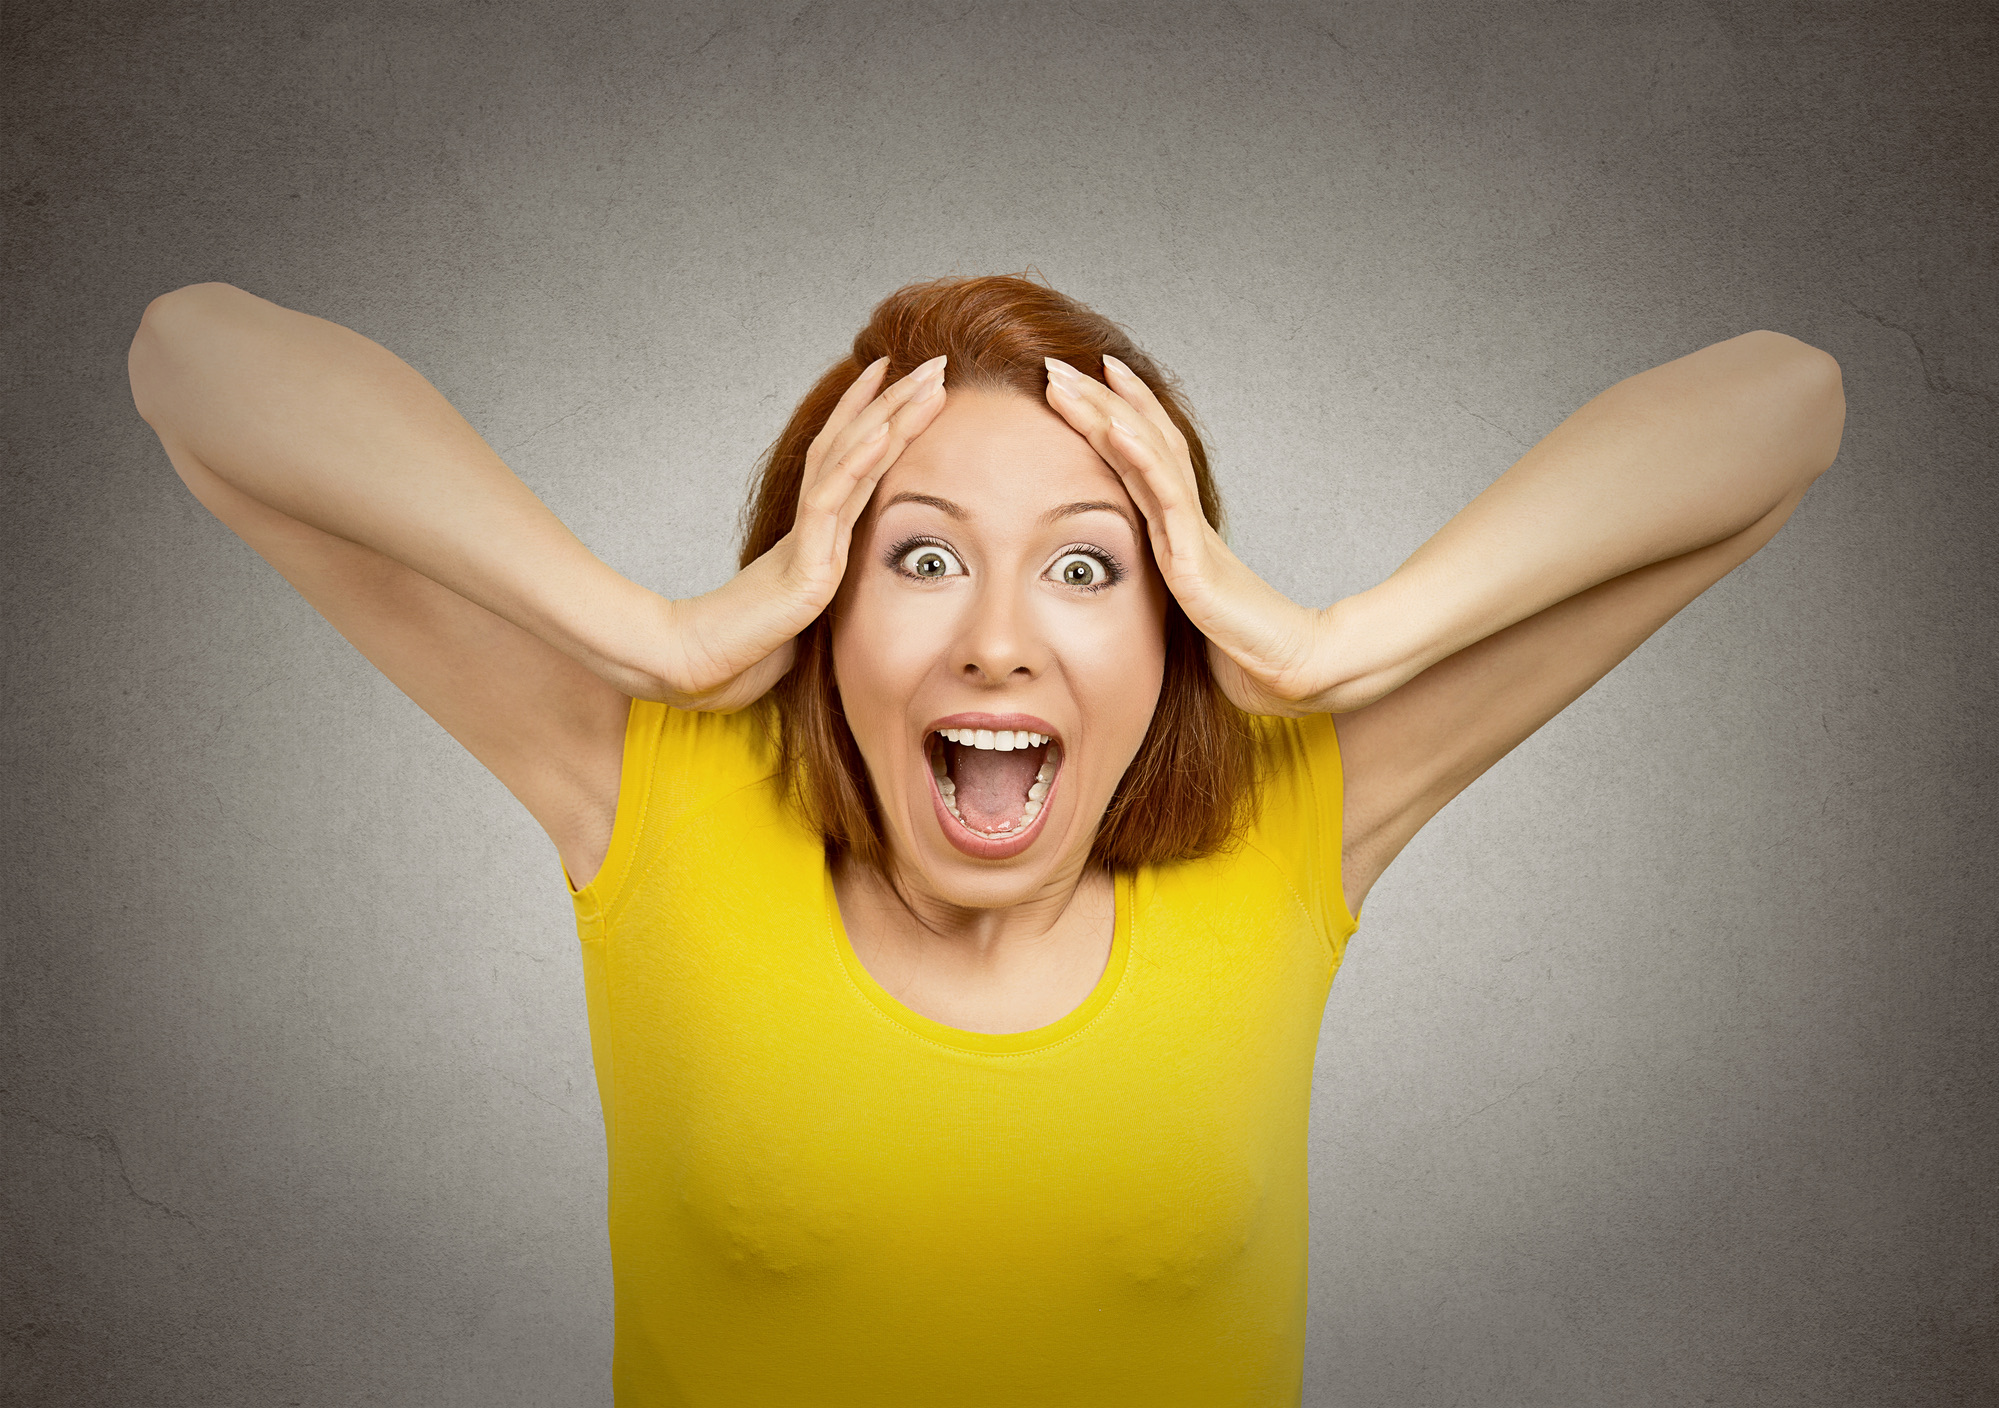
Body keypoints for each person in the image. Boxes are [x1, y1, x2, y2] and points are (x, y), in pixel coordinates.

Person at [126, 274, 1845, 1405]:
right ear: (826, 611)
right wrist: (648, 633)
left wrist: (1344, 644)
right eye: (922, 555)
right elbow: (196, 360)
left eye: (1089, 565)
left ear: (1171, 619)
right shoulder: (651, 791)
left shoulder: (1289, 824)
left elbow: (1783, 403)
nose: (998, 640)